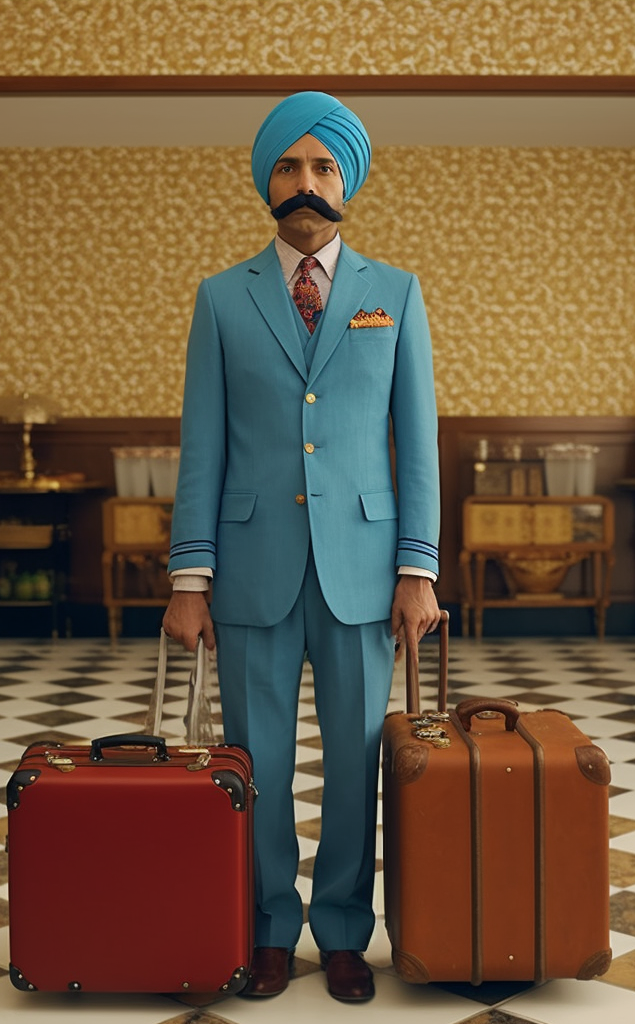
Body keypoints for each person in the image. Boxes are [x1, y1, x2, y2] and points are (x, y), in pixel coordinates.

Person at [162, 91, 441, 1003]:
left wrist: (418, 568)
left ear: (347, 180)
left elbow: (417, 443)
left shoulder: (394, 294)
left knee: (359, 762)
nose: (306, 182)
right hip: (249, 570)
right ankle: (272, 926)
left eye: (323, 166)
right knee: (258, 761)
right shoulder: (220, 298)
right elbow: (201, 444)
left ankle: (348, 931)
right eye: (289, 166)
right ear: (266, 180)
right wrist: (189, 578)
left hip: (365, 572)